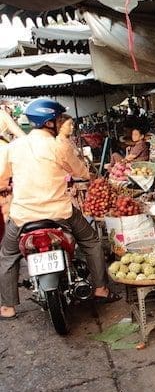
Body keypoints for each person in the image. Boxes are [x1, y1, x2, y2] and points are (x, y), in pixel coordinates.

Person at [0, 99, 119, 320]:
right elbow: (81, 172)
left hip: (22, 216)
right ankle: (101, 289)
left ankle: (7, 307)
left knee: (7, 255)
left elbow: (2, 178)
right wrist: (87, 175)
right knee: (91, 241)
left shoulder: (13, 147)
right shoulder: (59, 146)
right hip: (60, 214)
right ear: (50, 122)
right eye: (57, 119)